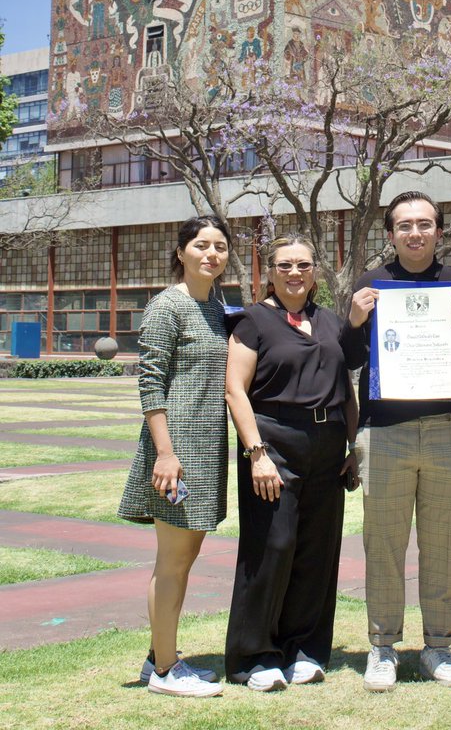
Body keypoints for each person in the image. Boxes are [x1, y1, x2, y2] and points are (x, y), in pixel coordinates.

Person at [344, 191, 451, 691]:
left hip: (447, 429)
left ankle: (439, 646)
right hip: (385, 433)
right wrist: (354, 322)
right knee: (384, 544)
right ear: (390, 233)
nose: (415, 233)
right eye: (405, 225)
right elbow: (347, 358)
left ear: (439, 230)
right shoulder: (370, 284)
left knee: (441, 545)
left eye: (425, 224)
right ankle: (383, 647)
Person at [224, 234, 362, 691]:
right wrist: (256, 453)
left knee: (317, 550)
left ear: (315, 271)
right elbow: (235, 390)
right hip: (274, 443)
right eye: (284, 265)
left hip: (327, 446)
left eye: (303, 264)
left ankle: (304, 649)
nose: (295, 273)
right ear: (270, 272)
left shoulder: (330, 321)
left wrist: (353, 445)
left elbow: (345, 386)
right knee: (273, 546)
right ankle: (254, 655)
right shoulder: (252, 321)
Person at [118, 215, 231, 698]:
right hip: (176, 452)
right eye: (201, 245)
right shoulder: (167, 306)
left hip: (207, 448)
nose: (211, 254)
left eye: (220, 246)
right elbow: (150, 383)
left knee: (185, 558)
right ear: (181, 251)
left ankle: (157, 658)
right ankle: (166, 671)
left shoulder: (217, 306)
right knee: (172, 562)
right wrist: (165, 453)